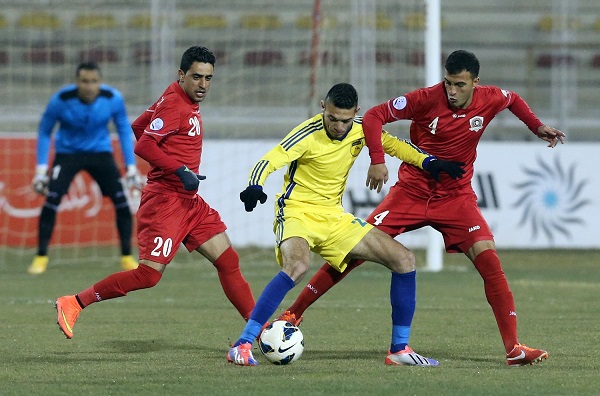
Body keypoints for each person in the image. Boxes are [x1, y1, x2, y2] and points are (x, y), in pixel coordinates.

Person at [279, 50, 564, 367]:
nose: (451, 91)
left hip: (456, 197)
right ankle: (293, 314)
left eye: (459, 85)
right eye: (447, 83)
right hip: (411, 192)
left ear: (475, 83)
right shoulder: (426, 99)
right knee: (351, 251)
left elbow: (513, 99)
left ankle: (513, 349)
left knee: (491, 264)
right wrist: (377, 160)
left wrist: (535, 127)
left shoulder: (491, 97)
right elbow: (374, 116)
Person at [227, 82, 465, 366]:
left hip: (334, 218)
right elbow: (271, 158)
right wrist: (255, 184)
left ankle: (399, 350)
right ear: (322, 108)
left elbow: (397, 146)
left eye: (345, 120)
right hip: (296, 212)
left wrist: (430, 163)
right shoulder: (306, 134)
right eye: (333, 119)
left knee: (404, 259)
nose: (339, 126)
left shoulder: (362, 128)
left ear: (357, 113)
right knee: (297, 266)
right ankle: (242, 344)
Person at [53, 46, 256, 339]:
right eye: (197, 77)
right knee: (148, 275)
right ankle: (74, 302)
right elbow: (143, 145)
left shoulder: (175, 95)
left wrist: (173, 165)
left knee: (227, 261)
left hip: (188, 202)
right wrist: (178, 170)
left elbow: (139, 126)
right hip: (166, 203)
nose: (203, 85)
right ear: (181, 75)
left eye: (209, 78)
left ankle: (256, 328)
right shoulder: (176, 105)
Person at [28, 61, 142, 275]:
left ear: (100, 82)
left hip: (100, 153)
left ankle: (127, 256)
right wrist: (41, 171)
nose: (89, 86)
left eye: (93, 81)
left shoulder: (113, 99)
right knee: (51, 199)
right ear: (76, 82)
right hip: (67, 153)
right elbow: (44, 131)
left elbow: (124, 131)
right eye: (84, 81)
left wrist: (131, 167)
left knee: (121, 201)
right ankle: (41, 257)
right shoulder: (61, 100)